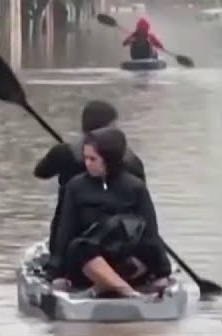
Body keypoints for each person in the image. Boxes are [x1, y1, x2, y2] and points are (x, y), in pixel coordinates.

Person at [46, 127, 171, 297]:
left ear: (109, 160)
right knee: (78, 247)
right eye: (85, 158)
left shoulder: (135, 187)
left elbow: (151, 231)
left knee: (147, 246)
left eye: (93, 159)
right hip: (89, 261)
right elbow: (65, 229)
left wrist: (163, 272)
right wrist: (57, 273)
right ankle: (126, 291)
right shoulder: (75, 187)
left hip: (126, 259)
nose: (87, 163)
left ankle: (105, 285)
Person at [34, 101, 146, 244]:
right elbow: (141, 209)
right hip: (117, 240)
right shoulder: (133, 161)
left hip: (66, 237)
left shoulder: (64, 152)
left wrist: (58, 155)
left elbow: (40, 172)